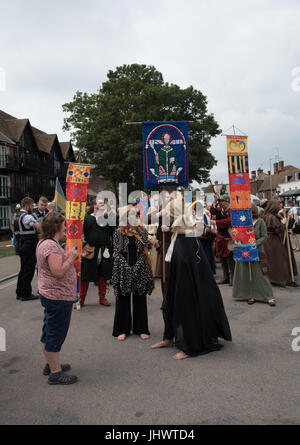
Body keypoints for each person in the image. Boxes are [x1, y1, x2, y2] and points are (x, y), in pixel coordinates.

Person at [151, 197, 232, 360]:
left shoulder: (186, 235)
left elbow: (187, 262)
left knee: (186, 309)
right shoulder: (178, 233)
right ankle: (168, 338)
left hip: (187, 282)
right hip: (176, 276)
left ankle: (189, 346)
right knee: (169, 305)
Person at [36, 212, 78, 385]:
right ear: (57, 227)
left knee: (49, 330)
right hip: (56, 296)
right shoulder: (51, 247)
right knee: (55, 332)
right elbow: (58, 272)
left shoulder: (47, 243)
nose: (65, 228)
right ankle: (55, 373)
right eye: (63, 225)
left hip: (52, 294)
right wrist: (71, 259)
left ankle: (51, 364)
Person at [112, 205, 154, 341]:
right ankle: (123, 329)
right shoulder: (118, 232)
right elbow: (117, 252)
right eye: (130, 215)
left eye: (135, 215)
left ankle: (141, 328)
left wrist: (152, 245)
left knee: (140, 298)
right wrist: (125, 267)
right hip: (123, 268)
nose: (133, 217)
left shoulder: (142, 231)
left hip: (140, 268)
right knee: (123, 298)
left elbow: (145, 249)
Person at [232, 204, 276, 306]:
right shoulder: (243, 222)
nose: (249, 214)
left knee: (260, 274)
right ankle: (250, 295)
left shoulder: (260, 222)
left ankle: (269, 297)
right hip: (244, 252)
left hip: (257, 252)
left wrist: (254, 244)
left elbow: (264, 236)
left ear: (253, 212)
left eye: (250, 212)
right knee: (246, 274)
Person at [78, 200, 114, 309]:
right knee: (85, 275)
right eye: (100, 203)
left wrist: (116, 249)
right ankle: (81, 299)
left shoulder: (108, 218)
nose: (102, 205)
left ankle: (102, 298)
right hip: (90, 250)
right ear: (95, 205)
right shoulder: (88, 218)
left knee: (103, 274)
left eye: (104, 203)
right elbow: (79, 230)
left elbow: (114, 234)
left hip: (104, 250)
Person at [263, 200, 298, 288]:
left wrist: (288, 219)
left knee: (276, 261)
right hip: (274, 241)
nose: (280, 206)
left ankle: (275, 279)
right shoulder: (270, 217)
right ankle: (285, 280)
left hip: (275, 240)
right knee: (281, 260)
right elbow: (279, 229)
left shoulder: (273, 216)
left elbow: (286, 226)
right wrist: (283, 223)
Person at [14, 197, 41, 301]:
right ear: (28, 205)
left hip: (21, 245)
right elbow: (38, 227)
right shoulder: (27, 217)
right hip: (29, 245)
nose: (32, 208)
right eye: (32, 205)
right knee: (28, 270)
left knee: (23, 270)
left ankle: (19, 292)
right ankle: (26, 293)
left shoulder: (17, 216)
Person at [211, 195, 235, 285]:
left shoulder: (231, 211)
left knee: (229, 259)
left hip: (228, 238)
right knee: (222, 259)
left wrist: (216, 222)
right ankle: (226, 278)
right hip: (220, 238)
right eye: (220, 201)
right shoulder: (221, 211)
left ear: (227, 202)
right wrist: (215, 201)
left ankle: (233, 278)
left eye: (222, 201)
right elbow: (212, 211)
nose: (221, 203)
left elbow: (229, 221)